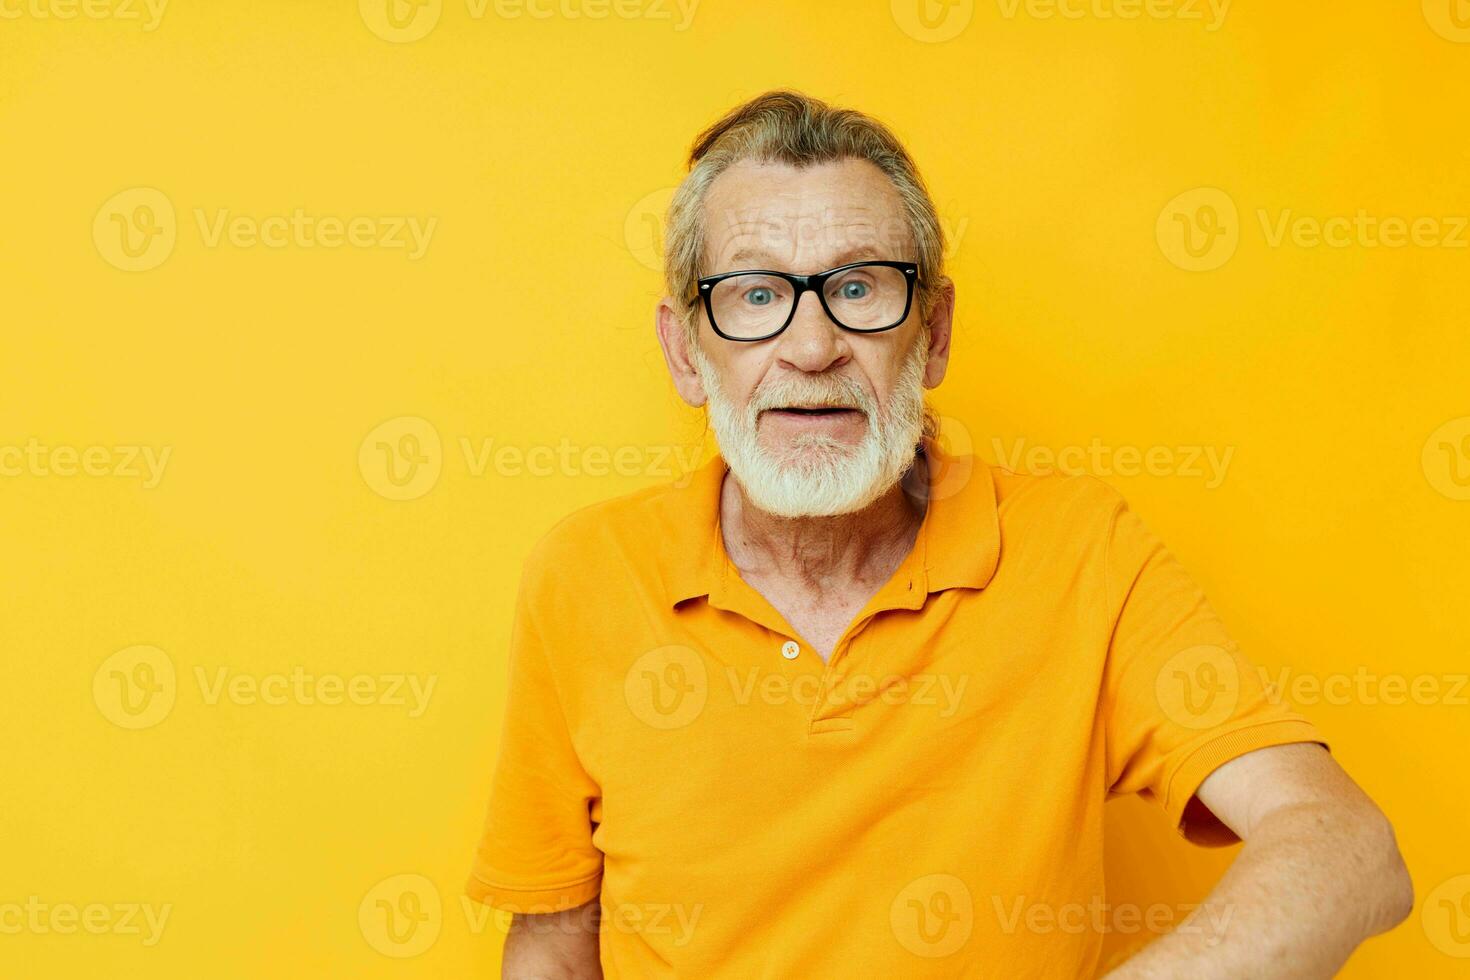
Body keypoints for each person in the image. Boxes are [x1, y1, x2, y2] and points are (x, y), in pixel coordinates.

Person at [466, 89, 1412, 978]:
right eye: (755, 296)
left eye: (861, 288)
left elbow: (1347, 846)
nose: (810, 345)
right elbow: (552, 944)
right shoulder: (585, 575)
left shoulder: (1081, 550)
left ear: (936, 330)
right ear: (685, 350)